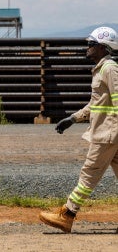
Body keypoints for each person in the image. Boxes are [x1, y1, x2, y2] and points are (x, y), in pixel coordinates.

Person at [39, 26, 118, 233]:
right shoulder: (101, 69)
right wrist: (73, 118)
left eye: (91, 44)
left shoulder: (109, 69)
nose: (87, 47)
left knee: (88, 174)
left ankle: (68, 214)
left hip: (107, 135)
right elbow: (96, 103)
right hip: (111, 134)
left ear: (102, 47)